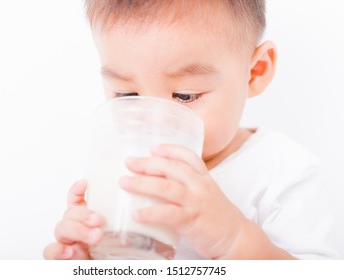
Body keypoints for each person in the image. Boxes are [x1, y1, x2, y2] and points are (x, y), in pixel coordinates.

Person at [43, 0, 339, 259]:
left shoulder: (283, 172)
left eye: (185, 96)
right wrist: (89, 260)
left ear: (255, 72)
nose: (154, 123)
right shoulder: (118, 170)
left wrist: (234, 238)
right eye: (127, 96)